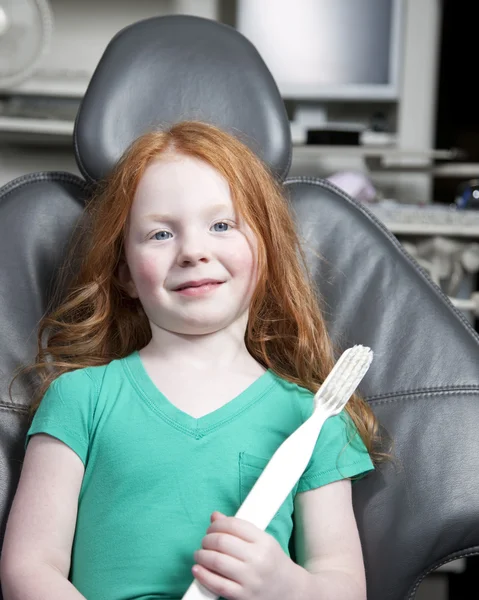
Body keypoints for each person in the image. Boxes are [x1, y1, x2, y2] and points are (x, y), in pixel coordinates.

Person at [0, 121, 385, 600]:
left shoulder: (313, 420)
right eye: (160, 234)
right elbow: (30, 568)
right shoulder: (79, 399)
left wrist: (285, 587)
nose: (193, 252)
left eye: (222, 225)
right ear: (123, 272)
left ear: (265, 250)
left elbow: (344, 585)